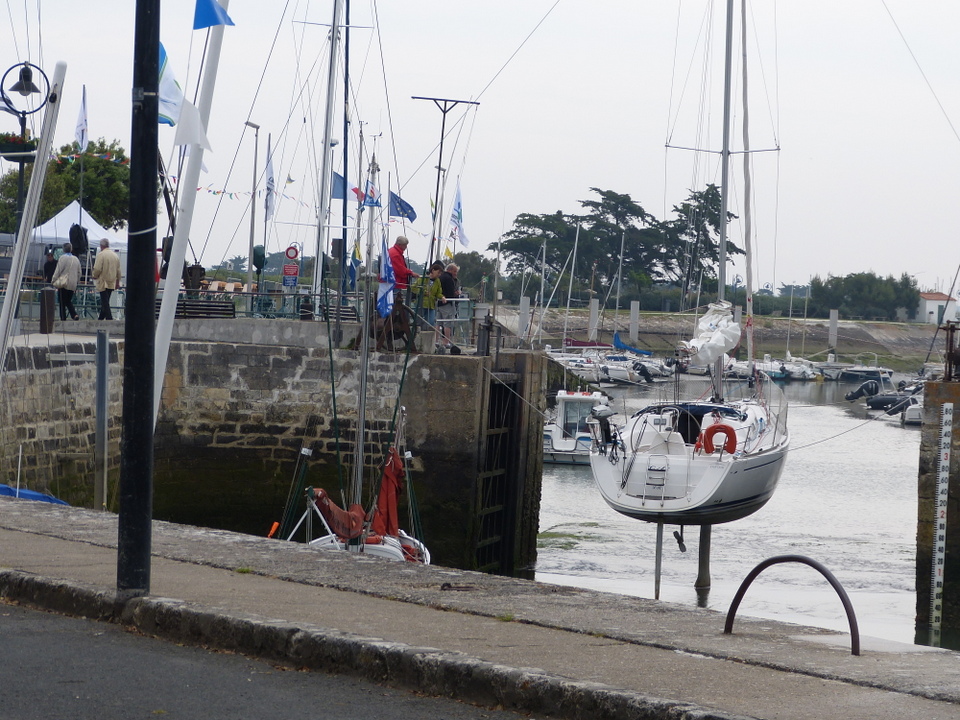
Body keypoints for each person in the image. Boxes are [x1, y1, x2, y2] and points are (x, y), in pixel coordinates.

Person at [412, 261, 444, 346]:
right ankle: (416, 341)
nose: (439, 275)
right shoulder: (423, 278)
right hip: (421, 304)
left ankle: (428, 344)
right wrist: (423, 292)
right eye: (438, 272)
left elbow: (438, 292)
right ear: (433, 270)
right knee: (418, 322)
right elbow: (414, 288)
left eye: (440, 273)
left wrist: (442, 297)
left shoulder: (437, 281)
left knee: (431, 323)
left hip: (431, 305)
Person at [92, 238, 121, 320]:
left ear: (101, 246)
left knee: (105, 302)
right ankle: (100, 319)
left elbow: (97, 268)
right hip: (112, 281)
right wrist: (118, 281)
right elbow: (118, 270)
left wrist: (94, 275)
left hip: (103, 281)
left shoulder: (101, 255)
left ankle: (109, 319)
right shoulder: (115, 255)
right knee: (106, 301)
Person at [51, 242, 81, 321]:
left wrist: (53, 280)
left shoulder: (63, 258)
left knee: (62, 301)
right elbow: (79, 272)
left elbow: (58, 270)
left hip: (64, 282)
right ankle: (74, 314)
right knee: (68, 300)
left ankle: (63, 318)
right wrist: (76, 281)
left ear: (63, 249)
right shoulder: (76, 259)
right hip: (72, 284)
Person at [436, 263, 462, 351]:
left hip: (439, 303)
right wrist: (456, 294)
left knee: (438, 323)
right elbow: (450, 293)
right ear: (450, 270)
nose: (455, 274)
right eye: (455, 271)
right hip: (447, 304)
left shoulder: (440, 277)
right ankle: (446, 342)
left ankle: (435, 341)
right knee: (448, 324)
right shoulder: (449, 279)